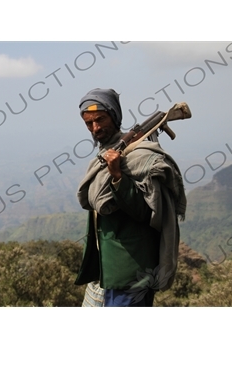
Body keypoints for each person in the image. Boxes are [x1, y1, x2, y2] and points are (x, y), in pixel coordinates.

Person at [74, 88, 187, 307]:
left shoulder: (139, 155)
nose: (95, 128)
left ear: (114, 117)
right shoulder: (110, 152)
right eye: (89, 123)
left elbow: (146, 212)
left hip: (132, 272)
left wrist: (117, 176)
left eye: (100, 119)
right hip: (110, 269)